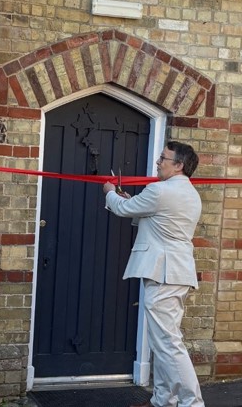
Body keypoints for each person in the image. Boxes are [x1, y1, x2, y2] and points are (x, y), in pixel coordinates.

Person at [103, 141, 205, 407]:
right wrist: (130, 201)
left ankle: (192, 404)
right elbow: (155, 217)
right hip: (176, 273)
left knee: (169, 344)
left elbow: (124, 210)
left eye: (163, 158)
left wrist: (110, 192)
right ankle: (162, 401)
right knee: (163, 343)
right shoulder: (190, 193)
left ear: (179, 165)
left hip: (163, 274)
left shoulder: (159, 190)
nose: (158, 162)